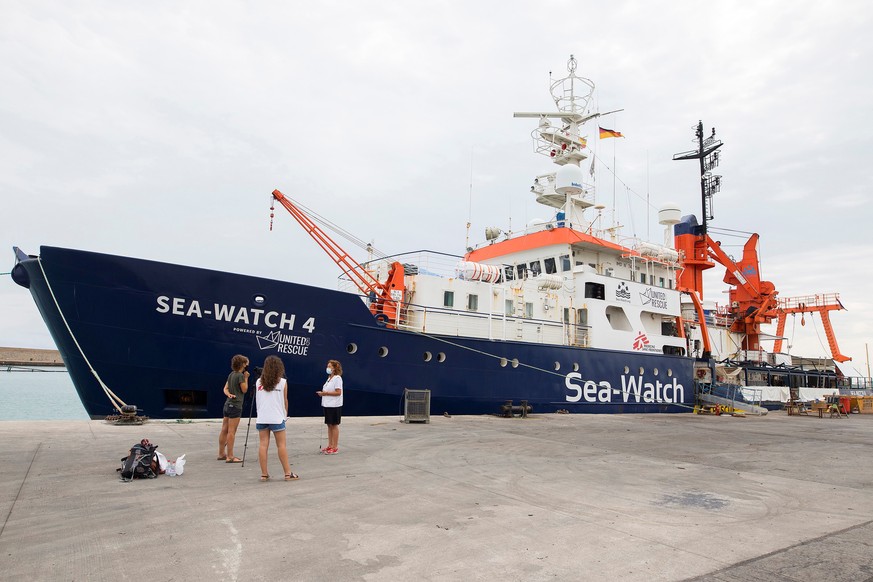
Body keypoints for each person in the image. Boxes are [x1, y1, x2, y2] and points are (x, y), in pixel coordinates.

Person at [256, 355, 297, 481]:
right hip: (277, 417)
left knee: (263, 445)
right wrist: (285, 415)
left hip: (262, 417)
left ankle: (264, 474)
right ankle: (287, 473)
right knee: (281, 445)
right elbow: (285, 400)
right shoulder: (283, 382)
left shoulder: (258, 382)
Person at [218, 354, 249, 463]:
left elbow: (225, 388)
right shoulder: (240, 376)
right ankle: (230, 456)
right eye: (246, 364)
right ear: (242, 364)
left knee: (224, 429)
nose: (246, 367)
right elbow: (244, 390)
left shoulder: (231, 375)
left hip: (227, 404)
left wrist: (229, 394)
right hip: (236, 405)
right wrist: (246, 378)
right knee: (232, 431)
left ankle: (221, 453)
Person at [316, 359, 343, 454]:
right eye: (327, 366)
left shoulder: (337, 378)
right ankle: (330, 445)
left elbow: (338, 392)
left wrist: (325, 393)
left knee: (334, 425)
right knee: (329, 425)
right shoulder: (329, 378)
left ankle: (335, 447)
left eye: (329, 366)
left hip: (334, 405)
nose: (327, 368)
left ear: (335, 368)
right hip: (327, 404)